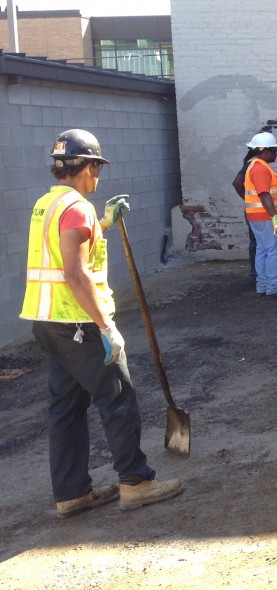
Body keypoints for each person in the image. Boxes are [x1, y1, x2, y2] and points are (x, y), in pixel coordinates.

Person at [21, 129, 183, 517]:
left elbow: (67, 246)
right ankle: (136, 483)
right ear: (89, 167)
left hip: (48, 323)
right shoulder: (76, 208)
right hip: (79, 324)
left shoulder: (48, 203)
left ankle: (72, 493)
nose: (98, 177)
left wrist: (106, 221)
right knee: (118, 397)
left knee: (66, 408)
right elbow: (75, 274)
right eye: (97, 168)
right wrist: (106, 327)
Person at [245, 131, 277, 298]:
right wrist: (275, 217)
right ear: (265, 150)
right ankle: (274, 288)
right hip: (267, 218)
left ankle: (263, 285)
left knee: (263, 250)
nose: (275, 154)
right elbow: (264, 194)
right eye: (274, 151)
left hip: (258, 217)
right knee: (275, 251)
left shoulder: (254, 165)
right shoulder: (260, 169)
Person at [231, 145, 258, 282]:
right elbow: (237, 183)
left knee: (256, 241)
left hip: (253, 210)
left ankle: (257, 273)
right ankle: (257, 273)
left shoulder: (250, 162)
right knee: (259, 242)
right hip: (257, 212)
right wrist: (248, 198)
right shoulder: (252, 163)